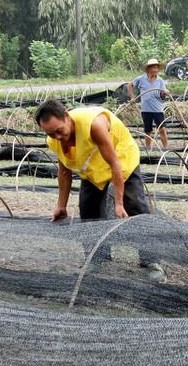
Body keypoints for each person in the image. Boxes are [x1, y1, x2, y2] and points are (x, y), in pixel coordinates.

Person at [33, 99, 164, 282]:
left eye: (59, 131)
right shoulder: (53, 140)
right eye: (50, 133)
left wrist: (118, 203)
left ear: (67, 117)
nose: (57, 137)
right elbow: (64, 171)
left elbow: (114, 164)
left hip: (121, 158)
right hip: (93, 168)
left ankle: (151, 262)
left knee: (135, 206)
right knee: (89, 211)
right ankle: (97, 258)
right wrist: (61, 206)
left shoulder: (94, 124)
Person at [127, 59, 171, 150]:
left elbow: (162, 96)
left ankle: (166, 148)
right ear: (148, 69)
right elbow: (129, 85)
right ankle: (148, 149)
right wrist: (132, 97)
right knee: (148, 130)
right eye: (153, 67)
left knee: (162, 129)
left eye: (156, 67)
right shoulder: (141, 79)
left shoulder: (160, 81)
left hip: (157, 109)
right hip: (146, 109)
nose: (155, 69)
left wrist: (165, 93)